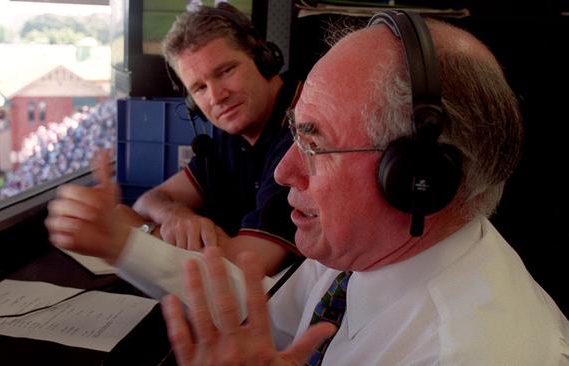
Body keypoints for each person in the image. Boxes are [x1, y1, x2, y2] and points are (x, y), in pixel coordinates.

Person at [158, 11, 569, 365]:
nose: (283, 172)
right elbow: (273, 332)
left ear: (415, 178)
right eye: (295, 134)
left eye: (315, 144)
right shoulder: (354, 245)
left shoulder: (461, 353)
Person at [45, 3, 302, 276]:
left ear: (262, 58)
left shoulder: (302, 130)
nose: (216, 97)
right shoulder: (234, 134)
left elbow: (248, 267)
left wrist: (132, 236)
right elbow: (151, 200)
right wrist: (176, 216)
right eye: (200, 88)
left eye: (226, 71)